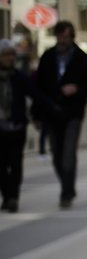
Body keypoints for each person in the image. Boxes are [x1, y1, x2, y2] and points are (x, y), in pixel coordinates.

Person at [31, 20, 87, 209]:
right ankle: (68, 186)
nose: (62, 40)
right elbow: (38, 88)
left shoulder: (81, 58)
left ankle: (66, 193)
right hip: (52, 113)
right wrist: (36, 115)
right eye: (60, 36)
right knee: (56, 154)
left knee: (68, 153)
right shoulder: (47, 57)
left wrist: (77, 89)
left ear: (71, 37)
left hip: (73, 113)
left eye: (66, 36)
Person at [0, 39, 41, 213]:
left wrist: (50, 109)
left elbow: (36, 95)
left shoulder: (20, 77)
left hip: (17, 127)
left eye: (12, 54)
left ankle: (13, 197)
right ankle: (7, 195)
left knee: (16, 163)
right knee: (1, 165)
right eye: (6, 55)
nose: (10, 58)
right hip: (0, 128)